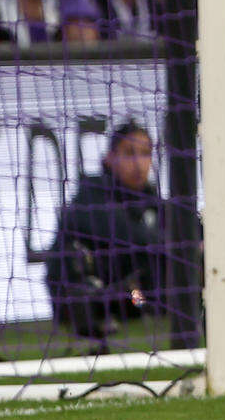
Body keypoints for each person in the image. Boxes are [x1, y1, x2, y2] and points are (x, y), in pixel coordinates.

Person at [44, 121, 202, 349]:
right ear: (110, 158)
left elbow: (191, 231)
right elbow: (125, 234)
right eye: (129, 154)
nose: (138, 163)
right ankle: (95, 327)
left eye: (145, 154)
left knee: (178, 267)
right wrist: (178, 246)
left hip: (135, 298)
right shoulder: (90, 198)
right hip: (89, 296)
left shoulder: (153, 203)